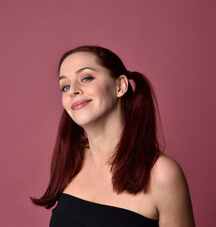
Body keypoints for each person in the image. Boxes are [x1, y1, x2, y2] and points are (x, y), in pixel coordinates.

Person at [31, 46, 195, 227]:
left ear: (120, 86)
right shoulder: (71, 161)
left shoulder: (163, 174)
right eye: (65, 86)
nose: (73, 91)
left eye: (86, 78)